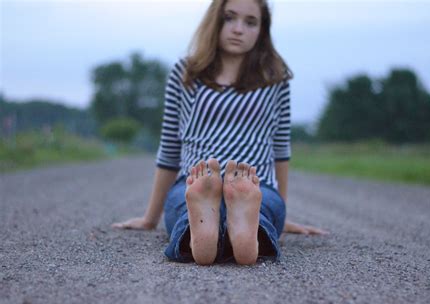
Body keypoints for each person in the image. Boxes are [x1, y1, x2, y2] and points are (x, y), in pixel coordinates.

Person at [112, 0, 327, 265]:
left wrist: (278, 211)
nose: (238, 29)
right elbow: (170, 146)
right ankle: (225, 229)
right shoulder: (186, 73)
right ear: (215, 21)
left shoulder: (275, 77)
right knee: (188, 201)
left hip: (255, 185)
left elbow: (280, 149)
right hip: (195, 182)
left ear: (262, 31)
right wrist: (149, 218)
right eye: (230, 18)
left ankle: (229, 230)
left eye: (250, 22)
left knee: (259, 205)